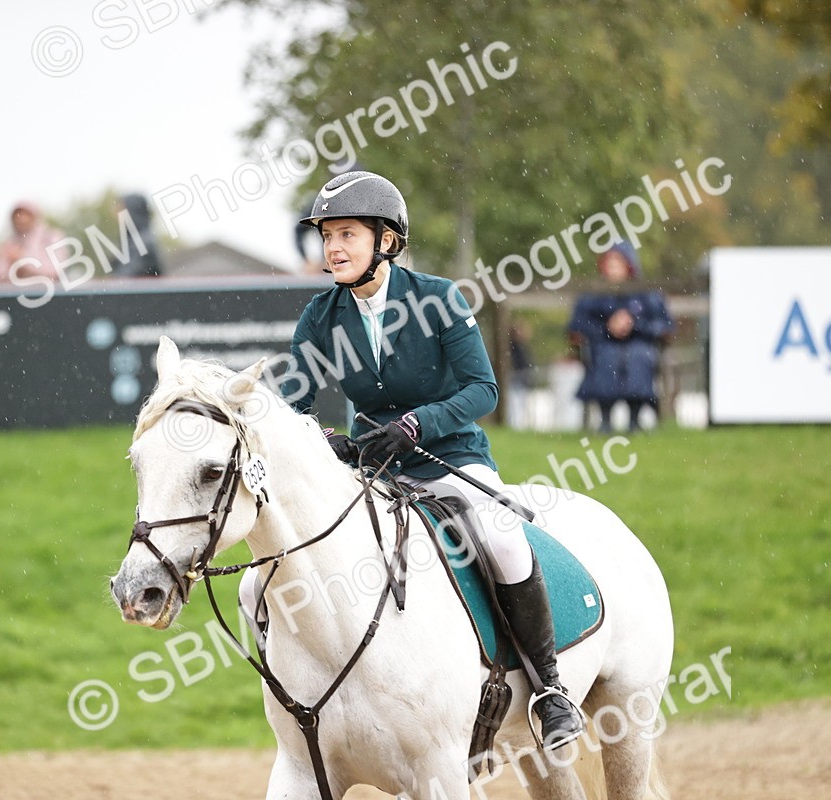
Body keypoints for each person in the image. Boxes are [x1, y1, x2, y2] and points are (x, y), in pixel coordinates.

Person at [276, 170, 584, 749]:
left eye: (346, 234)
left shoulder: (438, 299)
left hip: (451, 457)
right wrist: (324, 440)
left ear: (386, 240)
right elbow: (293, 408)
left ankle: (550, 688)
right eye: (327, 236)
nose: (333, 248)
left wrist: (417, 423)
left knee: (503, 539)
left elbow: (483, 390)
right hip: (374, 469)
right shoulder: (320, 316)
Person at [567, 242, 674, 433]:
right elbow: (578, 325)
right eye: (610, 263)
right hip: (602, 345)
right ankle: (605, 420)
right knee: (606, 359)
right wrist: (607, 328)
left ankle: (634, 420)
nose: (613, 268)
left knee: (637, 358)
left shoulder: (647, 294)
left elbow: (663, 325)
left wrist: (635, 324)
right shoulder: (593, 294)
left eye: (618, 263)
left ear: (629, 265)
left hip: (639, 344)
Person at [0, 200, 65, 283]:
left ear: (34, 216)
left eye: (25, 215)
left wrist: (22, 262)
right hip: (16, 290)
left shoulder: (51, 237)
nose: (20, 219)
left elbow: (55, 272)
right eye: (17, 215)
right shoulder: (8, 244)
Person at [111, 192, 164, 277]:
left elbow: (125, 279)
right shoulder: (133, 242)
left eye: (121, 210)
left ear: (132, 212)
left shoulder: (144, 244)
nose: (116, 214)